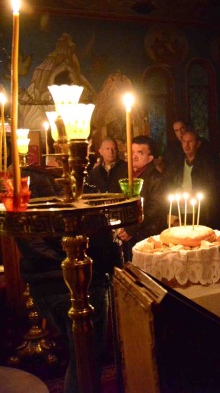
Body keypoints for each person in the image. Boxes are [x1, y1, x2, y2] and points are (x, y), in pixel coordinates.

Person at [17, 167, 121, 393]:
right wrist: (114, 255)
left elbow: (29, 244)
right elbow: (98, 241)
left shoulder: (24, 192)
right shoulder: (67, 193)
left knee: (78, 356)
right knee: (86, 360)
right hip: (82, 286)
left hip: (43, 289)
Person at [116, 136, 166, 261]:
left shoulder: (155, 178)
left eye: (140, 153)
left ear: (150, 158)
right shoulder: (129, 175)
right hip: (132, 234)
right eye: (132, 152)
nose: (134, 156)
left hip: (147, 236)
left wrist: (131, 229)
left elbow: (154, 209)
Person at [164, 129, 220, 229]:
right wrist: (177, 191)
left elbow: (213, 186)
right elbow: (169, 184)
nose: (186, 145)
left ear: (198, 144)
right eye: (184, 141)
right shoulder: (175, 164)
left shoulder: (207, 164)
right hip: (179, 210)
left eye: (190, 141)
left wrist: (196, 194)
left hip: (200, 211)